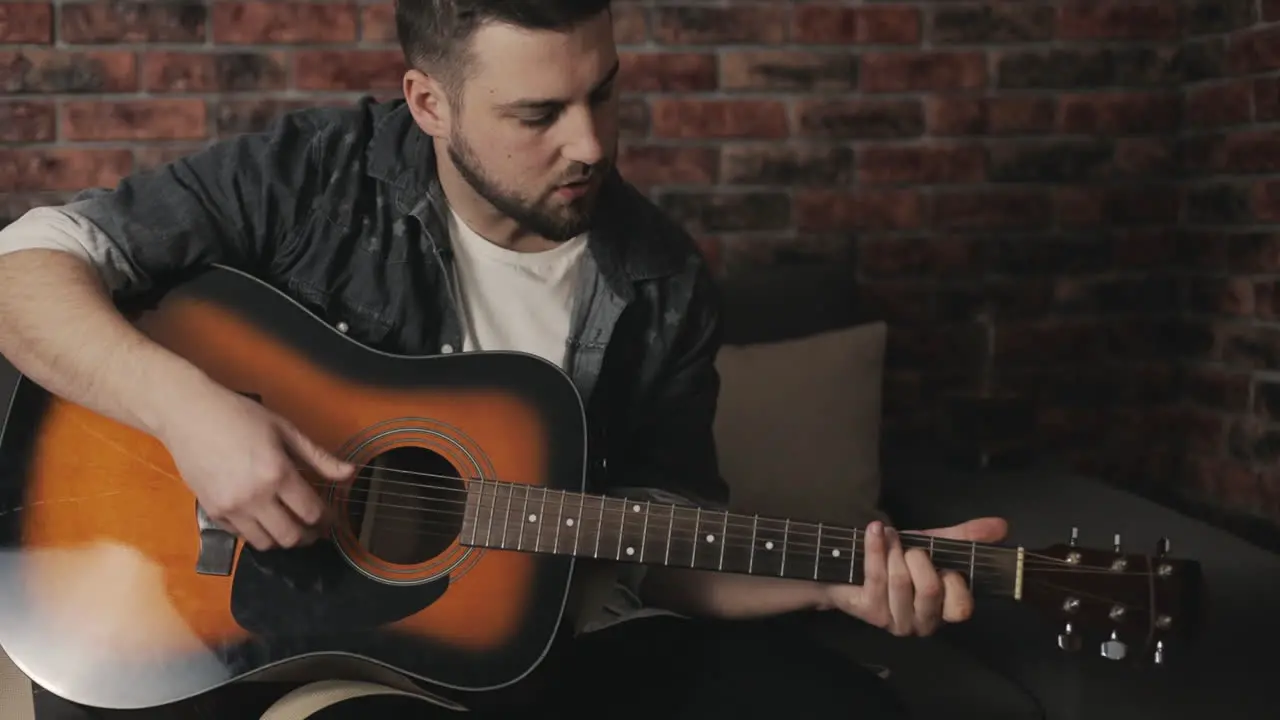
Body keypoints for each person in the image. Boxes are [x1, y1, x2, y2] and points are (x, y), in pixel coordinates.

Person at [0, 1, 1008, 718]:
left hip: (554, 646)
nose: (590, 145)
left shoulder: (654, 277)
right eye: (537, 116)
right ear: (427, 103)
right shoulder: (311, 179)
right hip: (303, 642)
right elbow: (25, 269)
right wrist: (190, 411)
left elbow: (660, 548)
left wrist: (830, 582)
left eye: (603, 93)